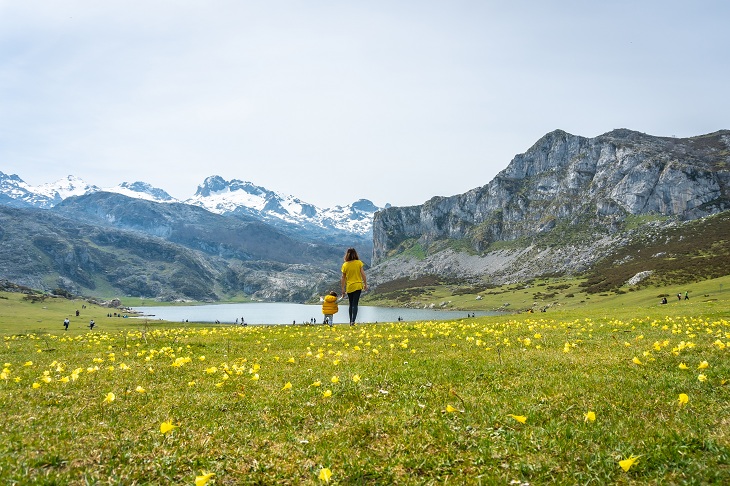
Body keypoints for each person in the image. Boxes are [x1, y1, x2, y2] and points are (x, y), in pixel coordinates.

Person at [341, 248, 367, 326]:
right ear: (355, 254)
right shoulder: (359, 263)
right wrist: (365, 283)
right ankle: (353, 321)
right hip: (358, 285)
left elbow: (343, 277)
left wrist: (342, 288)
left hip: (350, 286)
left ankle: (350, 321)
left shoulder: (345, 265)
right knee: (355, 304)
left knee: (350, 304)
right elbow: (363, 274)